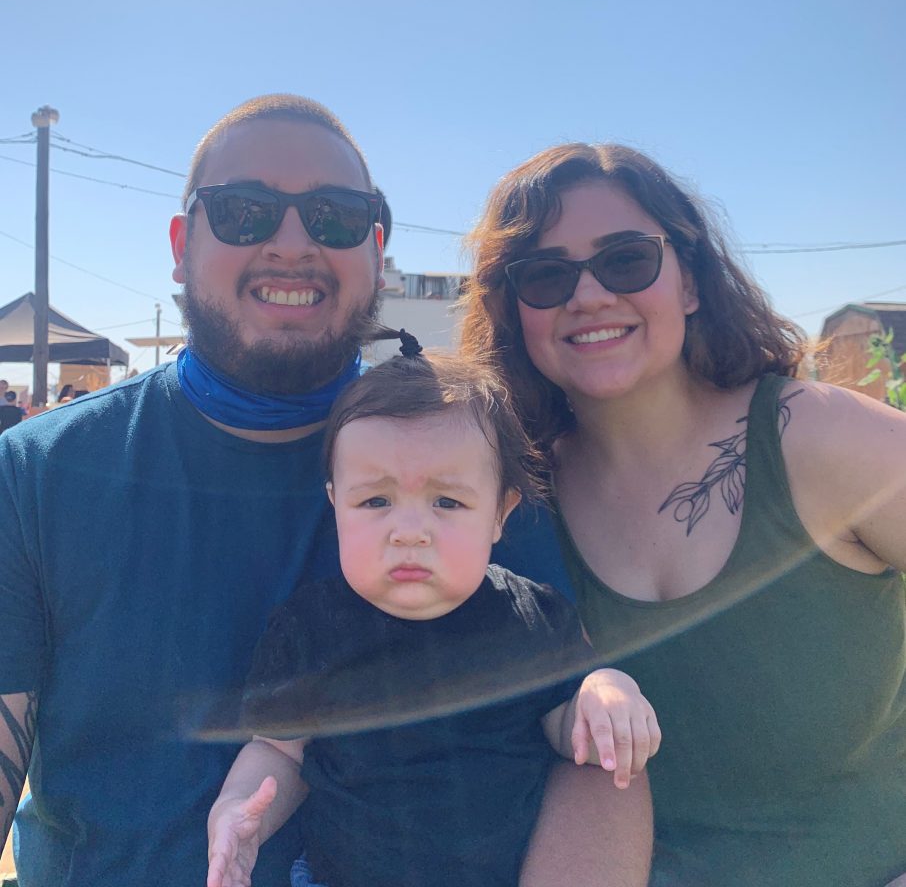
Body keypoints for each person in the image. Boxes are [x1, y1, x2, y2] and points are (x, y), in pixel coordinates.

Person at [0, 99, 652, 887]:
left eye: (335, 218)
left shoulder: (469, 458)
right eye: (245, 212)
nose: (291, 243)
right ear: (182, 245)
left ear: (377, 250)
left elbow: (588, 749)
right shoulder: (38, 471)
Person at [460, 142, 906, 887]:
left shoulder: (820, 438)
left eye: (626, 259)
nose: (589, 296)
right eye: (545, 276)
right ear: (514, 314)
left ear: (691, 281)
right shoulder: (512, 505)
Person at [207, 350, 661, 887]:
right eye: (376, 502)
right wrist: (237, 814)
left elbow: (568, 730)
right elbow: (278, 751)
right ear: (335, 506)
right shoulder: (310, 628)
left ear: (500, 514)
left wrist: (607, 689)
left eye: (447, 502)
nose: (409, 531)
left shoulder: (531, 618)